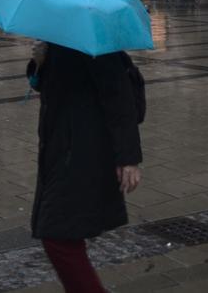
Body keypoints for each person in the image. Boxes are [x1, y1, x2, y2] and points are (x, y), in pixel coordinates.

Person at [27, 41, 142, 292]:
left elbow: (118, 95)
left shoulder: (93, 39)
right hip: (61, 148)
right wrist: (40, 63)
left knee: (59, 236)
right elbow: (50, 87)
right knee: (64, 233)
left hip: (82, 150)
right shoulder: (59, 36)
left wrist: (128, 158)